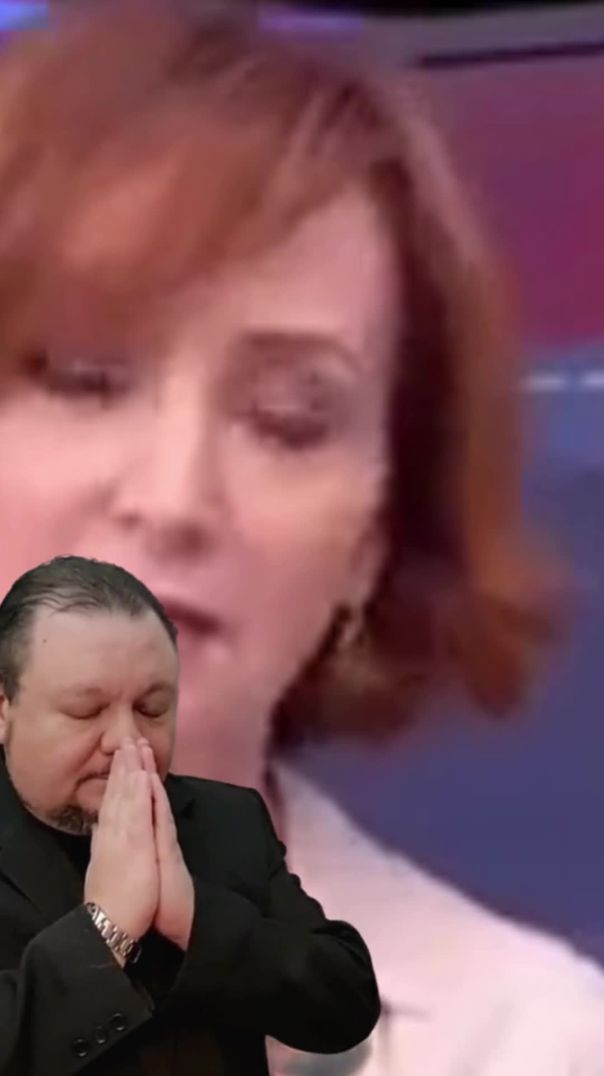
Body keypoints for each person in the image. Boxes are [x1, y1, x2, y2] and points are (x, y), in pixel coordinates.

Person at [0, 1, 603, 1072]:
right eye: (86, 379)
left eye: (289, 419)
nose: (176, 495)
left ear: (374, 537)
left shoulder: (540, 1044)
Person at [0, 554, 380, 1075]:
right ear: (5, 707)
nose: (127, 740)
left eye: (152, 709)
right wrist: (106, 929)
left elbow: (344, 1002)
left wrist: (195, 919)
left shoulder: (227, 821)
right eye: (86, 711)